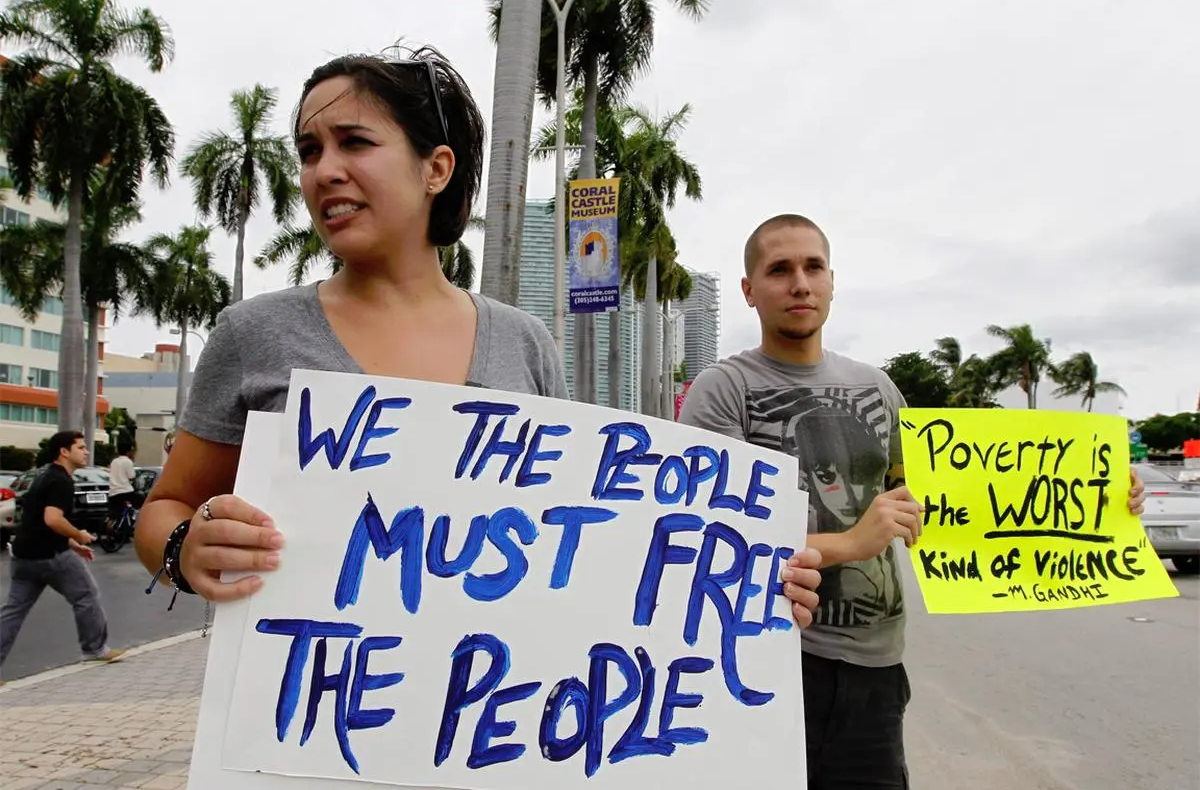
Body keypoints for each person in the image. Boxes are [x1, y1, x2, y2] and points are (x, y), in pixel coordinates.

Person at [131, 46, 823, 624]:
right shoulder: (255, 333)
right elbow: (165, 508)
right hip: (300, 731)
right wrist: (187, 550)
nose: (324, 171)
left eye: (355, 142)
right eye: (310, 150)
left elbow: (582, 536)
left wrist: (750, 586)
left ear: (436, 167)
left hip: (495, 731)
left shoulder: (523, 344)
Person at [678, 213, 1147, 788]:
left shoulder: (877, 389)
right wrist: (852, 542)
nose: (800, 283)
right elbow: (712, 536)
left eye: (813, 267)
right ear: (750, 290)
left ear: (831, 281)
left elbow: (952, 493)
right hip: (767, 666)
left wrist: (1098, 494)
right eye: (780, 269)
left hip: (877, 669)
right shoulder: (724, 390)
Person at [1, 431, 126, 681]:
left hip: (23, 557)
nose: (86, 451)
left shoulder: (44, 476)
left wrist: (72, 543)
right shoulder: (61, 481)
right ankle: (94, 648)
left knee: (13, 611)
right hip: (50, 557)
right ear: (64, 452)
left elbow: (39, 522)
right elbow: (52, 519)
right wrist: (78, 535)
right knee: (86, 595)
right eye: (80, 447)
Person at [106, 442, 142, 525]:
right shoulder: (128, 462)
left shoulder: (114, 461)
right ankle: (134, 522)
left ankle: (110, 529)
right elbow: (132, 476)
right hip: (126, 492)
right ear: (128, 452)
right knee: (141, 502)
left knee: (113, 515)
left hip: (113, 493)